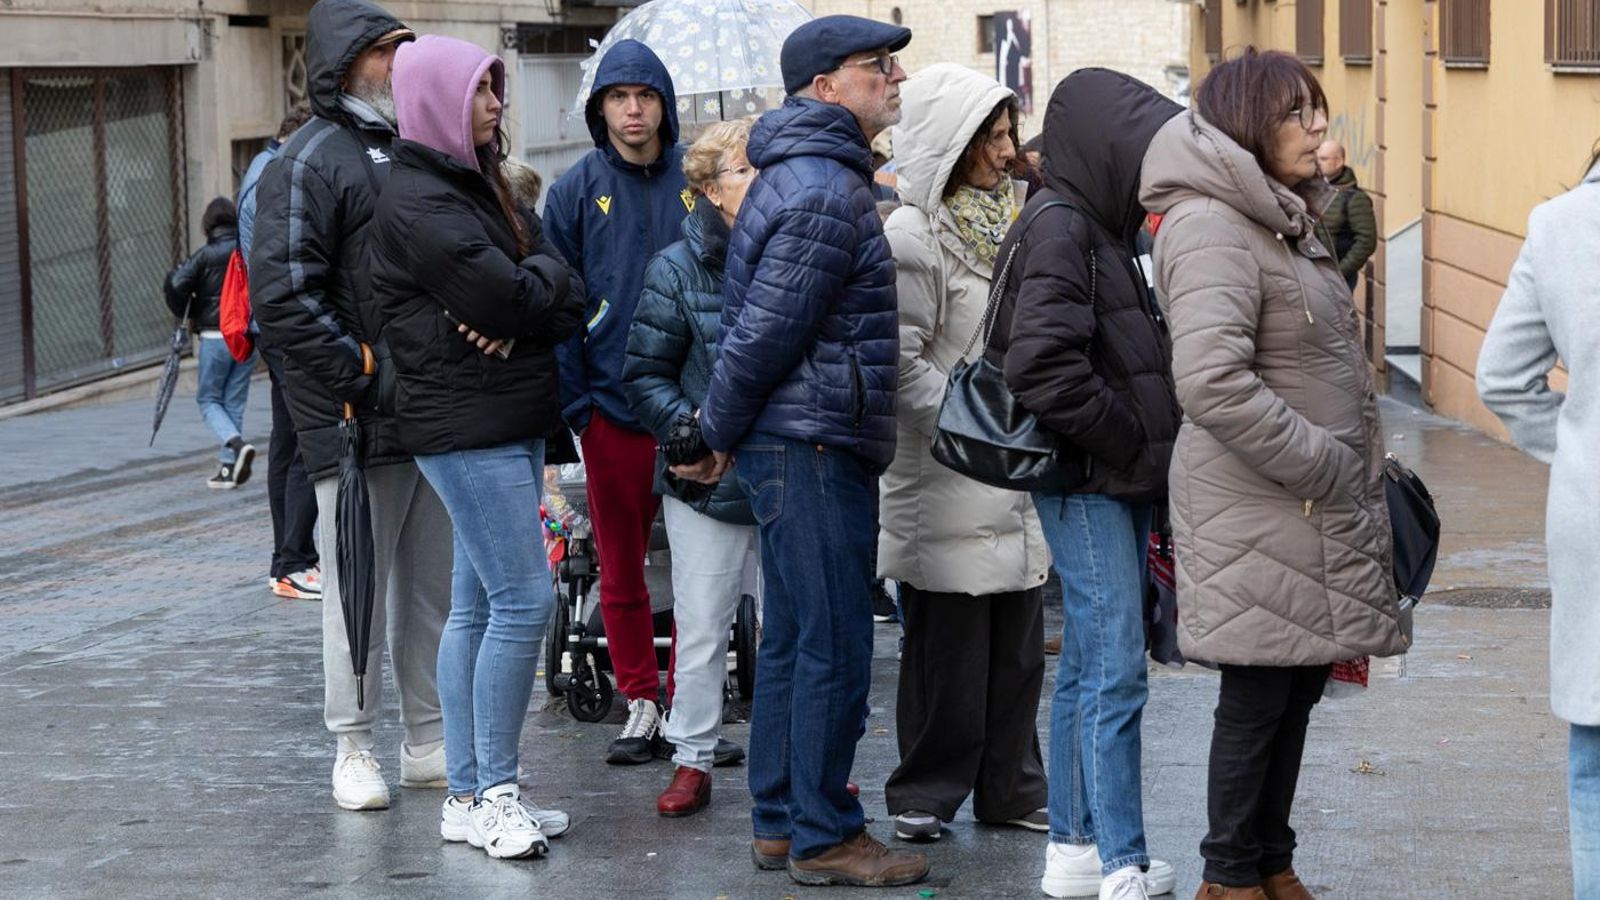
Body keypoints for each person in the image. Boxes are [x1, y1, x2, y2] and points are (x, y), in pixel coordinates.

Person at [1140, 49, 1409, 900]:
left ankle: (1271, 861)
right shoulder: (1212, 224)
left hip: (1303, 501)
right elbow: (1212, 382)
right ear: (1250, 127)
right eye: (1298, 114)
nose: (1319, 128)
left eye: (1317, 111)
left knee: (1295, 690)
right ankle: (1227, 877)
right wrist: (1327, 460)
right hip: (1260, 498)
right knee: (1259, 698)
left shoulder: (1280, 215)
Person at [698, 14, 929, 888]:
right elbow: (757, 337)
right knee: (832, 643)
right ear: (826, 88)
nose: (895, 81)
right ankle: (824, 833)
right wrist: (713, 436)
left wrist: (724, 434)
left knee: (797, 640)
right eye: (878, 69)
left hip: (805, 439)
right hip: (814, 444)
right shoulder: (826, 191)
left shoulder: (807, 177)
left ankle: (779, 820)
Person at [371, 33, 584, 859]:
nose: (499, 103)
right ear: (439, 104)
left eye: (498, 88)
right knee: (525, 601)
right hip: (467, 425)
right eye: (484, 91)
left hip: (502, 414)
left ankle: (468, 792)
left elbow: (561, 290)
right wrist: (529, 296)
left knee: (477, 605)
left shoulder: (479, 186)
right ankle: (495, 790)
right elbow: (509, 298)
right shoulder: (421, 203)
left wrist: (532, 296)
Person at [984, 69, 1182, 900]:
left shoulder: (1092, 223)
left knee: (1089, 668)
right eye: (1141, 158)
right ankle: (1119, 861)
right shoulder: (1066, 226)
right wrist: (1126, 436)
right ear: (1107, 152)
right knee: (1114, 668)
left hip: (1101, 479)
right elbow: (1040, 365)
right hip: (1092, 479)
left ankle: (1073, 848)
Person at [250, 0, 452, 813]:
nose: (402, 64)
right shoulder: (309, 159)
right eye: (386, 52)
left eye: (406, 49)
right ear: (346, 63)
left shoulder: (414, 146)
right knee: (357, 595)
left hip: (431, 413)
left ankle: (429, 741)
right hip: (353, 419)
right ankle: (354, 745)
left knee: (432, 594)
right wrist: (364, 372)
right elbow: (285, 295)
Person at [876, 63, 1051, 844]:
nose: (1010, 152)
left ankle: (1011, 788)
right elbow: (899, 358)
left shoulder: (1011, 219)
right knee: (948, 646)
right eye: (995, 137)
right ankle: (926, 792)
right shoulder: (913, 233)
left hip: (1010, 465)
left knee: (1016, 646)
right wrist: (969, 418)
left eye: (1011, 133)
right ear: (955, 146)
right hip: (949, 468)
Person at [542, 40, 689, 766]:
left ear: (665, 103)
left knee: (702, 568)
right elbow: (560, 309)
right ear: (600, 109)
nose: (634, 110)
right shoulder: (572, 193)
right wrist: (580, 411)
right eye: (618, 97)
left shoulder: (699, 182)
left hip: (696, 413)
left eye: (646, 96)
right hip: (612, 411)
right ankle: (642, 701)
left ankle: (691, 704)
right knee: (622, 567)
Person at [621, 117, 759, 818]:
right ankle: (692, 757)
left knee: (794, 625)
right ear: (708, 188)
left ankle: (799, 760)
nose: (761, 179)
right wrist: (692, 436)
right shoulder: (675, 268)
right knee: (703, 624)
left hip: (784, 465)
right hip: (702, 478)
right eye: (744, 169)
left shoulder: (790, 251)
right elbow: (644, 373)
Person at [1476, 146, 1600, 900]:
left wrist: (1580, 449)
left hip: (1596, 519)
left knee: (1595, 767)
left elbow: (1501, 378)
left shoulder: (1560, 226)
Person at [238, 103, 322, 601]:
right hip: (284, 326)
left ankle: (287, 559)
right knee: (307, 439)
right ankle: (293, 560)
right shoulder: (273, 178)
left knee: (288, 440)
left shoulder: (261, 170)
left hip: (271, 326)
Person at [165, 196, 256, 490]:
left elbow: (177, 283)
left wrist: (184, 309)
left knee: (208, 400)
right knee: (234, 400)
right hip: (245, 336)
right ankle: (229, 467)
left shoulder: (205, 256)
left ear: (208, 225)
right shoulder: (246, 249)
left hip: (215, 337)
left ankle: (237, 446)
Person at [1313, 140, 1376, 290]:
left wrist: (1340, 272)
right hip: (1315, 274)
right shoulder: (1316, 188)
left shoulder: (1354, 198)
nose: (1318, 163)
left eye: (1324, 159)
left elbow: (1366, 241)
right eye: (1317, 158)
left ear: (1339, 162)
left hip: (1338, 279)